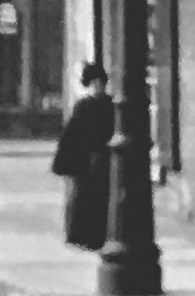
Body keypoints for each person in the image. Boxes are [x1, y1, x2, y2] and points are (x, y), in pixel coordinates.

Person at [53, 63, 114, 251]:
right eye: (95, 84)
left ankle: (99, 236)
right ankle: (80, 236)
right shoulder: (83, 106)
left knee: (101, 200)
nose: (98, 87)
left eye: (101, 83)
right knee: (82, 199)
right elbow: (71, 135)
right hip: (85, 161)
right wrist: (66, 161)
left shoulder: (110, 105)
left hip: (103, 159)